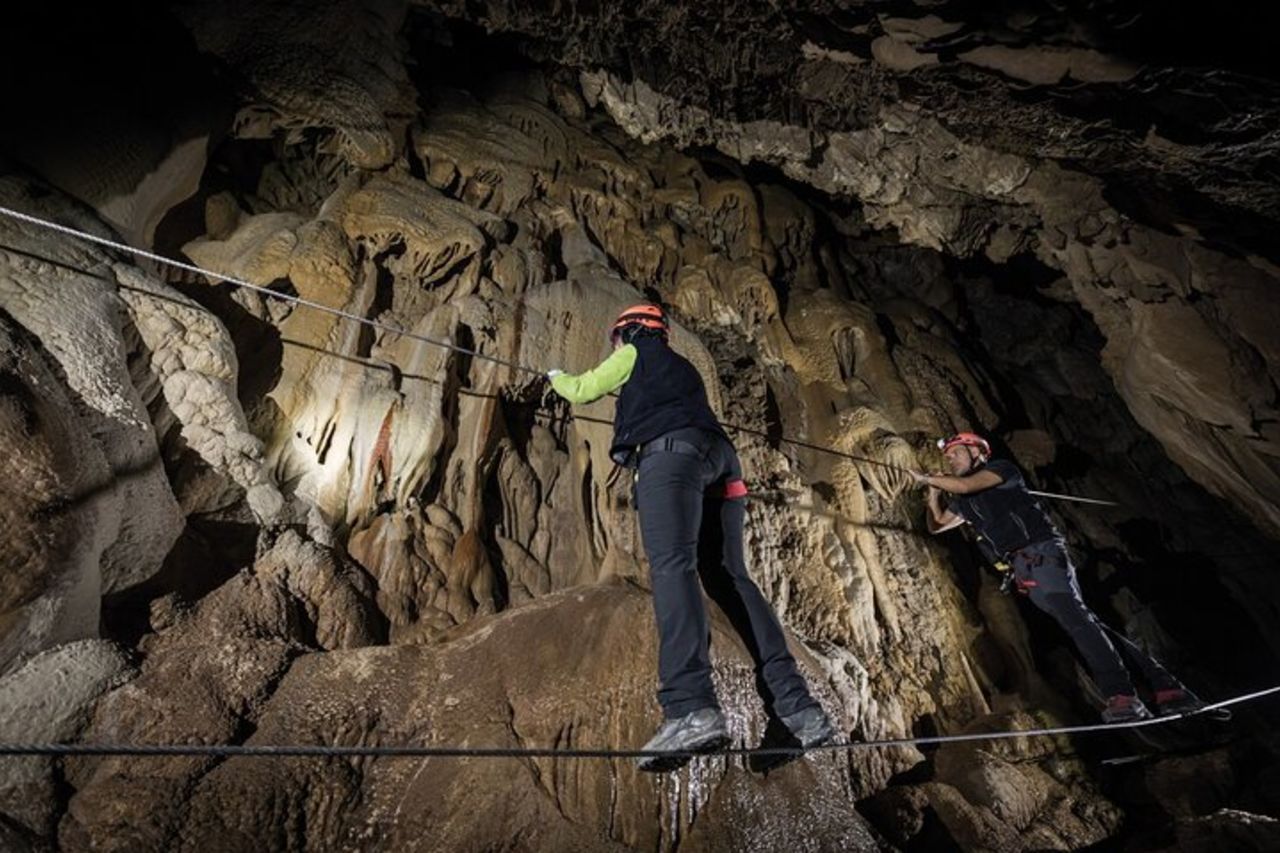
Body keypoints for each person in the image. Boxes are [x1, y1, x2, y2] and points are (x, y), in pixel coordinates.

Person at [547, 303, 834, 771]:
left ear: (630, 331)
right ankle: (797, 709)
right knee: (731, 578)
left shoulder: (635, 351)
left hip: (670, 456)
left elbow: (584, 388)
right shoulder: (683, 369)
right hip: (723, 463)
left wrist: (555, 375)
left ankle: (689, 706)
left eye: (615, 337)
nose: (614, 346)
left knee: (672, 568)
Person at [912, 432, 1206, 723]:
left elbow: (964, 485)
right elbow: (937, 526)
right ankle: (1168, 689)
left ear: (976, 452)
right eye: (947, 456)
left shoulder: (1001, 471)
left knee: (1079, 624)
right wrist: (933, 495)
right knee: (1084, 623)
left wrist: (928, 479)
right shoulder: (965, 503)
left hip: (1043, 554)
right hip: (1024, 570)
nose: (949, 459)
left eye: (955, 452)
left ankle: (1123, 695)